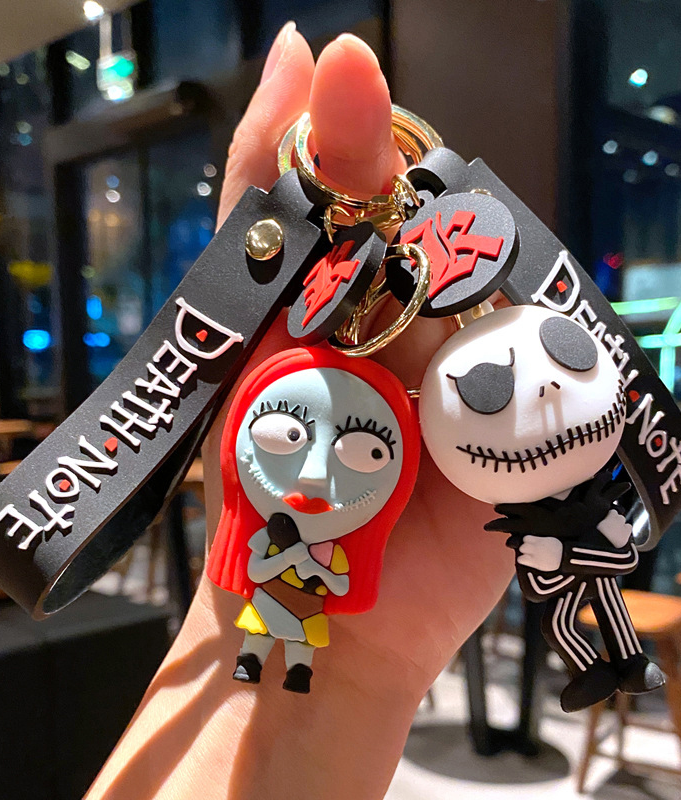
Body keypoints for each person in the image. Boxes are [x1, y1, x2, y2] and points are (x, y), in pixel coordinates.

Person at [86, 25, 512, 799]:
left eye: (363, 454)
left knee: (293, 639)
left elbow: (329, 571)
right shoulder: (268, 531)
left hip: (314, 605)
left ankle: (275, 663)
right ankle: (256, 660)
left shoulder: (347, 538)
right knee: (263, 637)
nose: (316, 473)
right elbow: (262, 564)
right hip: (272, 604)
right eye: (284, 435)